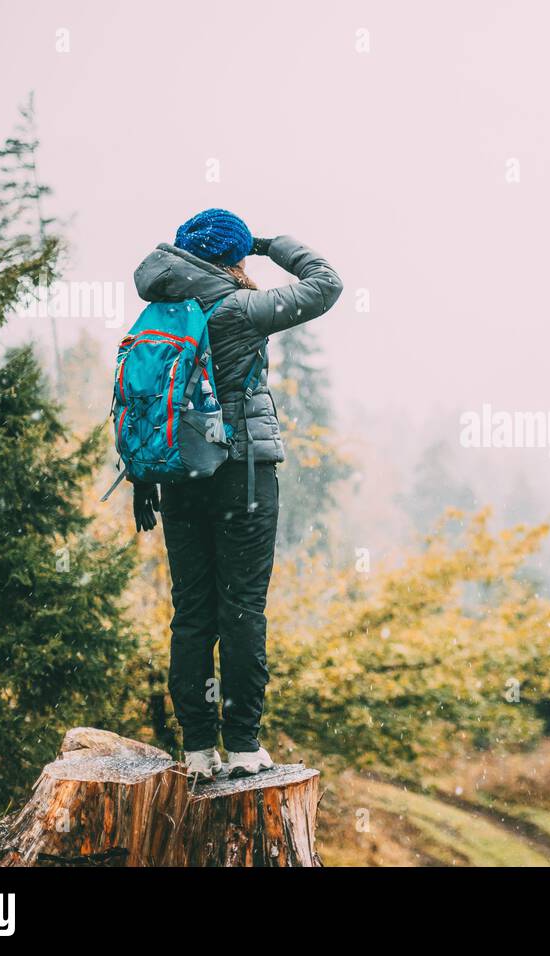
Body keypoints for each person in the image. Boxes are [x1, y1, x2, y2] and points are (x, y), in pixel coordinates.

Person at [131, 208, 342, 780]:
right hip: (241, 474)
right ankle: (245, 746)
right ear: (233, 256)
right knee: (243, 608)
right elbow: (327, 283)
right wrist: (273, 244)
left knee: (193, 613)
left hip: (177, 478)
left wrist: (145, 476)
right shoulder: (239, 309)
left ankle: (197, 750)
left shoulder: (161, 311)